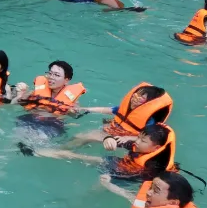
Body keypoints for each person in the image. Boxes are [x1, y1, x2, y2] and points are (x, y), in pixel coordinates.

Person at [26, 123, 176, 182]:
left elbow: (135, 179)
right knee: (78, 154)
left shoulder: (151, 167)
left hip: (126, 174)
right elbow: (122, 140)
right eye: (139, 137)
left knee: (78, 158)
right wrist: (109, 139)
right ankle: (35, 152)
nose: (137, 141)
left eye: (143, 141)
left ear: (156, 148)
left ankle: (35, 152)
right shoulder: (141, 145)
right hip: (121, 165)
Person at [68, 82, 173, 146]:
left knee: (83, 137)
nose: (134, 100)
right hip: (113, 130)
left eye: (140, 99)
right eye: (135, 96)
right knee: (78, 137)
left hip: (124, 139)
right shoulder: (125, 109)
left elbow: (147, 138)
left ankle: (60, 150)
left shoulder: (149, 121)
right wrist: (86, 109)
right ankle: (66, 148)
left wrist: (127, 139)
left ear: (148, 104)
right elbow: (108, 109)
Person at [16, 60, 86, 116]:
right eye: (50, 73)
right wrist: (21, 93)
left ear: (66, 80)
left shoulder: (72, 100)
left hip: (52, 124)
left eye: (56, 75)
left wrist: (72, 111)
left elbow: (75, 115)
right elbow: (17, 103)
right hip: (30, 119)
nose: (51, 77)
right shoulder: (36, 92)